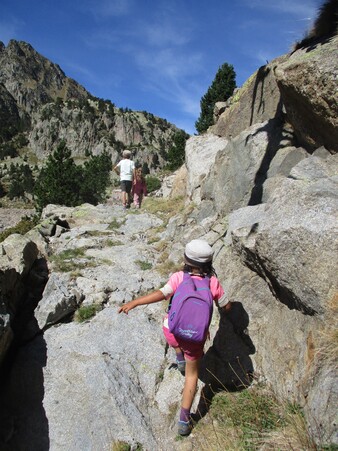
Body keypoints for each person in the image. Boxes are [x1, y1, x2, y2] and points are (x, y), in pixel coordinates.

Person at [118, 239, 231, 436]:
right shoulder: (213, 283)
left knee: (171, 332)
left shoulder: (179, 277)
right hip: (195, 338)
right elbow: (226, 306)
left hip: (172, 330)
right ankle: (184, 420)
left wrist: (135, 303)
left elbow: (161, 294)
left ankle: (179, 357)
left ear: (186, 260)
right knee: (192, 375)